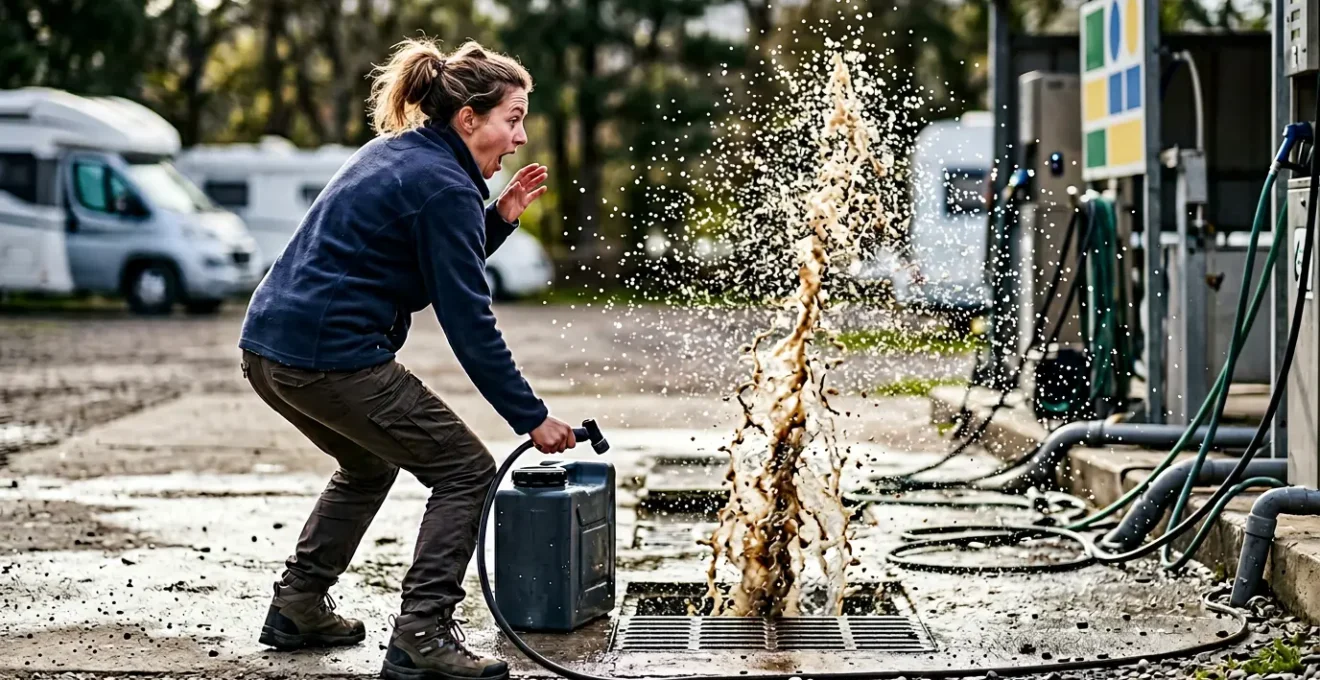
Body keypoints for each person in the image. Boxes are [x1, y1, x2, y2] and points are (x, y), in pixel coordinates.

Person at [238, 38, 576, 680]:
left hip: (268, 350)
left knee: (367, 465)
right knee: (465, 471)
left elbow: (418, 268)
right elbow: (467, 319)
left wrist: (496, 222)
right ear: (469, 118)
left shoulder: (399, 156)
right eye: (514, 118)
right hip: (329, 357)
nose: (521, 137)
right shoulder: (443, 186)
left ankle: (298, 605)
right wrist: (531, 417)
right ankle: (423, 633)